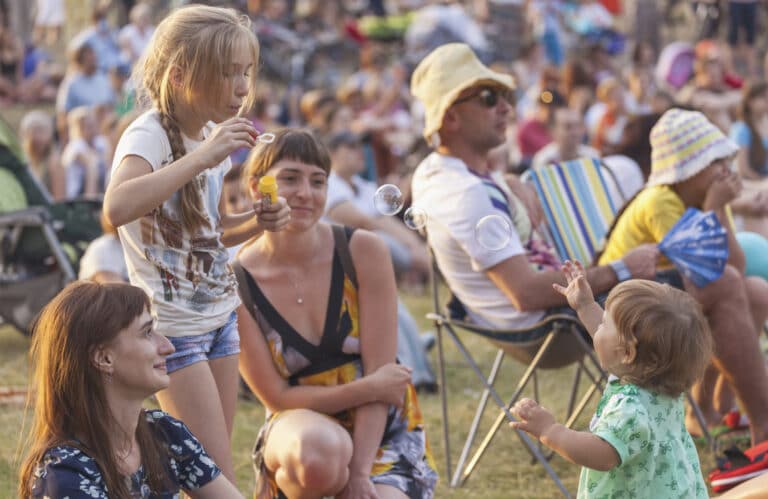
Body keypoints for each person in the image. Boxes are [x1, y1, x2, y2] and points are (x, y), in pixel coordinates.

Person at [103, 5, 290, 483]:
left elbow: (208, 233)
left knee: (208, 470)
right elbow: (116, 208)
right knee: (216, 479)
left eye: (246, 72)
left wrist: (258, 222)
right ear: (182, 74)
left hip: (219, 317)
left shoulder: (210, 136)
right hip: (176, 331)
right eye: (228, 73)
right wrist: (204, 155)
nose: (243, 87)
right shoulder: (149, 135)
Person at [410, 43, 657, 365]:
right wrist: (622, 268)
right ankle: (703, 412)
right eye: (488, 98)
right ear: (451, 116)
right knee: (705, 287)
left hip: (547, 314)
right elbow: (526, 293)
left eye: (504, 97)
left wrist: (510, 181)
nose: (505, 108)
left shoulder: (436, 171)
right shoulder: (465, 194)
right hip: (550, 326)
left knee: (707, 282)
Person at [236, 129, 438, 498]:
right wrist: (366, 387)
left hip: (380, 424)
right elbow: (277, 396)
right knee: (318, 457)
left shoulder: (362, 251)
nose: (305, 193)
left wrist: (359, 475)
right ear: (255, 187)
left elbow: (382, 374)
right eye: (289, 178)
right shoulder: (238, 282)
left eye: (318, 182)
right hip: (301, 428)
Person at [598, 108, 768, 446]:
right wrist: (714, 209)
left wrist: (717, 209)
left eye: (724, 159)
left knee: (755, 289)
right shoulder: (659, 200)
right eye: (712, 162)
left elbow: (734, 263)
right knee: (729, 285)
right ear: (684, 170)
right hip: (620, 304)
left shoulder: (705, 198)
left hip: (667, 292)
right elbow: (708, 269)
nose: (724, 170)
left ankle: (709, 407)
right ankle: (763, 425)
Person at [17, 280, 243, 498]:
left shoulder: (164, 434)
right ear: (104, 358)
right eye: (147, 333)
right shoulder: (64, 475)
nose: (168, 346)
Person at [510, 261, 711, 499]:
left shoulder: (631, 409)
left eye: (606, 323)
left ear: (627, 353)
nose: (598, 329)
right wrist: (585, 305)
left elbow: (602, 455)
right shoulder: (655, 380)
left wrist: (550, 430)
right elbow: (607, 341)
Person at [19, 110, 65, 200]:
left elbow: (59, 199)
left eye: (42, 132)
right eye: (34, 132)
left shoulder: (54, 162)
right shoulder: (22, 160)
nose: (38, 138)